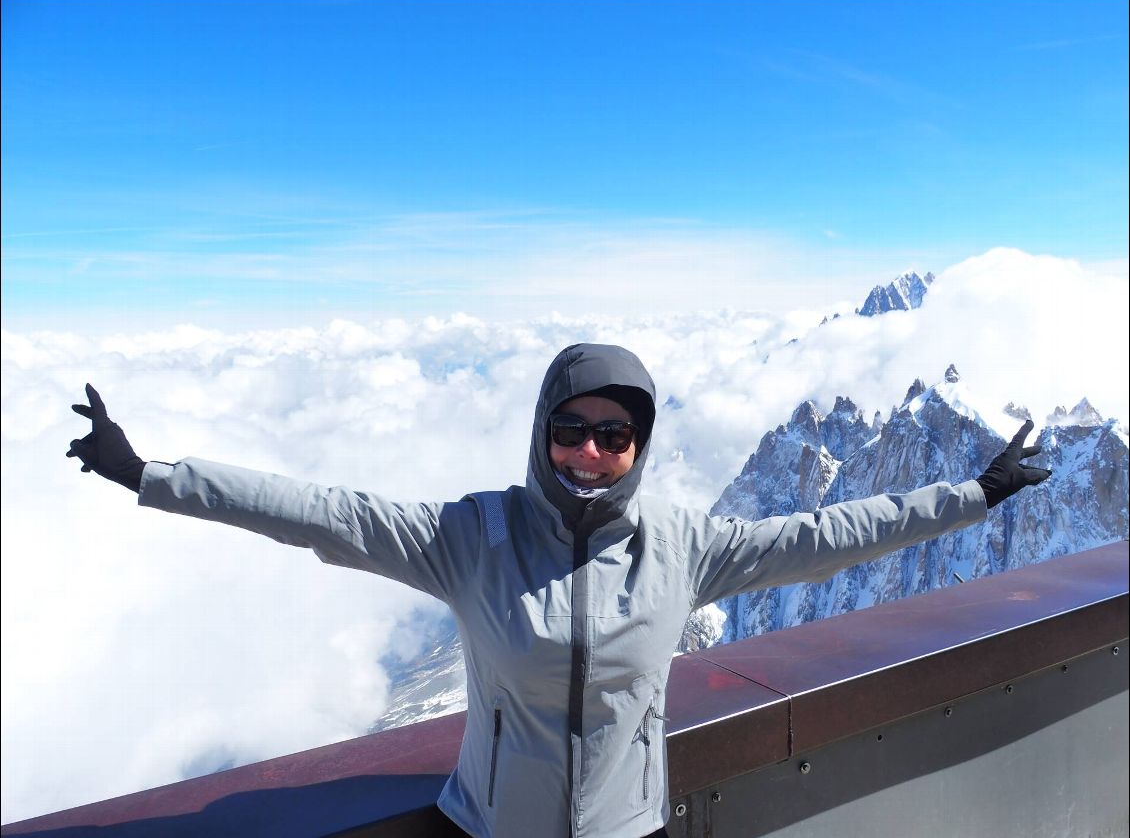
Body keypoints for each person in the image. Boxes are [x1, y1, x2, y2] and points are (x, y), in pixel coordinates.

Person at [67, 343, 1051, 838]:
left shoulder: (680, 544)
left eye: (613, 434)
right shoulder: (471, 537)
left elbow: (832, 535)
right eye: (569, 428)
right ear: (541, 431)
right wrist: (148, 472)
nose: (589, 451)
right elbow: (321, 510)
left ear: (639, 444)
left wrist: (972, 493)